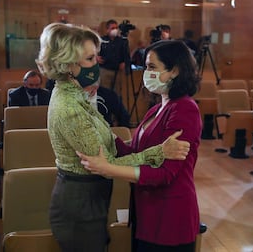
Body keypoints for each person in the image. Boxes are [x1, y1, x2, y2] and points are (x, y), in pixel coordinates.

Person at [35, 23, 190, 252]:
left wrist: (131, 146)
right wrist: (159, 152)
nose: (96, 63)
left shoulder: (76, 93)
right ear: (68, 64)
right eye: (89, 58)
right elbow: (106, 164)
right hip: (80, 203)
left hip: (91, 198)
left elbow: (107, 144)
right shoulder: (70, 107)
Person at [79, 40, 202, 252]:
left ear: (174, 71)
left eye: (152, 67)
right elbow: (137, 154)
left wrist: (107, 168)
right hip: (146, 211)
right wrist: (102, 132)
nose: (147, 73)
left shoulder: (184, 110)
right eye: (146, 67)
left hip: (169, 216)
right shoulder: (157, 108)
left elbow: (164, 173)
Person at [97, 19, 129, 97]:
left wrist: (124, 63)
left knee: (116, 93)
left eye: (116, 28)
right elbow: (94, 51)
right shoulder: (101, 40)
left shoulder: (121, 41)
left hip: (117, 71)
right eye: (112, 28)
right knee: (104, 92)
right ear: (107, 30)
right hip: (105, 70)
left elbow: (126, 55)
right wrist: (96, 57)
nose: (115, 30)